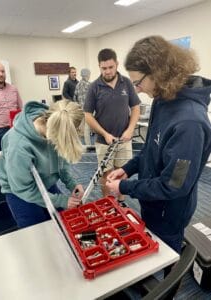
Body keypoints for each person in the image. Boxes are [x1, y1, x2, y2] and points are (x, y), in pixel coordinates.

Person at [106, 35, 211, 254]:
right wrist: (127, 169)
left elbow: (173, 185)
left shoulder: (189, 124)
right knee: (151, 247)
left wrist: (125, 188)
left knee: (167, 259)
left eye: (138, 82)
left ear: (158, 73)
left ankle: (168, 287)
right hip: (151, 200)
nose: (138, 90)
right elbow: (150, 150)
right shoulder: (163, 100)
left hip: (169, 211)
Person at [0, 100, 84, 229]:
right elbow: (23, 188)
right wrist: (61, 200)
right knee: (39, 230)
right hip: (20, 191)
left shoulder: (54, 124)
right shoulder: (18, 145)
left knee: (61, 224)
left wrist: (72, 183)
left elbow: (60, 161)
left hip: (45, 181)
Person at [84, 48, 140, 199]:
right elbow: (88, 115)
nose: (108, 71)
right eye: (104, 68)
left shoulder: (126, 83)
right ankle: (107, 202)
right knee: (106, 174)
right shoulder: (94, 87)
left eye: (111, 67)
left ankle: (120, 203)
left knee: (122, 172)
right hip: (104, 141)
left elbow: (135, 108)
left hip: (124, 139)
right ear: (99, 66)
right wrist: (104, 134)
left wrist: (130, 129)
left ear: (117, 64)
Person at [0, 63, 23, 151]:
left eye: (3, 71)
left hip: (16, 129)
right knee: (1, 158)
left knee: (17, 155)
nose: (1, 74)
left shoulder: (13, 89)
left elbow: (21, 108)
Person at [74, 68, 92, 145]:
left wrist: (79, 106)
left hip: (80, 109)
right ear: (87, 75)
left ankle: (80, 144)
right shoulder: (89, 85)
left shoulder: (77, 85)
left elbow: (74, 97)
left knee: (81, 128)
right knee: (87, 128)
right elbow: (93, 98)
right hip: (88, 109)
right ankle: (88, 145)